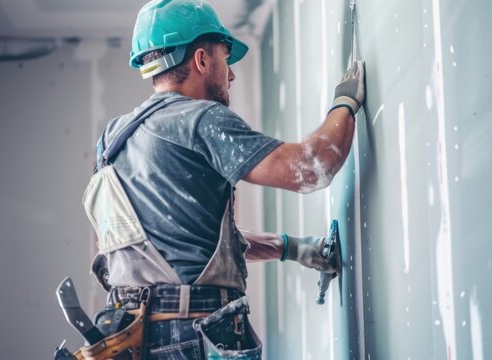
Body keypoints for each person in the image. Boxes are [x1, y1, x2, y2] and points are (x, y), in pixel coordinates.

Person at [82, 0, 365, 358]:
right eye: (225, 58)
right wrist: (345, 103)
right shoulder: (199, 118)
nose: (230, 74)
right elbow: (311, 169)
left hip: (132, 339)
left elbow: (187, 245)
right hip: (192, 333)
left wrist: (294, 249)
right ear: (202, 60)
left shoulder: (111, 139)